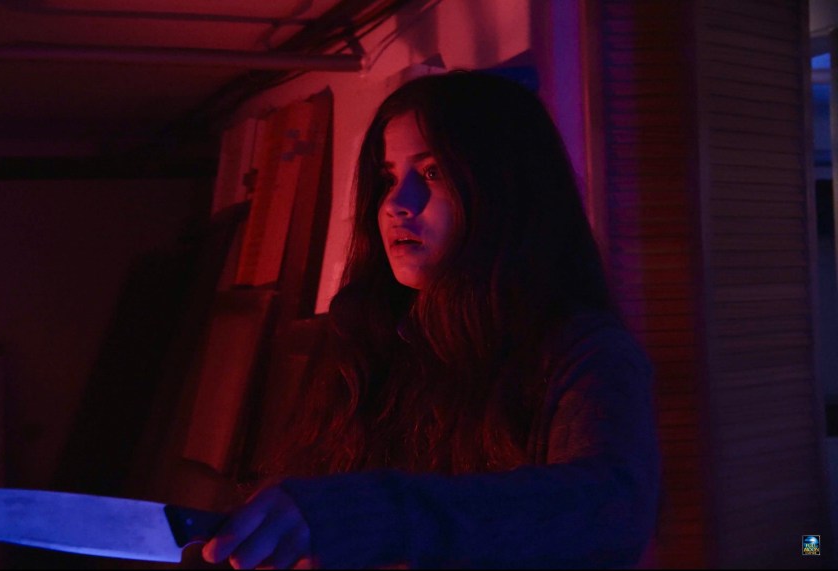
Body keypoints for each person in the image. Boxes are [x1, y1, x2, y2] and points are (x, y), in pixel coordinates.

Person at [201, 69, 661, 569]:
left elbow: (609, 506)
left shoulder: (582, 349)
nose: (396, 205)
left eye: (433, 173)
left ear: (505, 188)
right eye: (388, 178)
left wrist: (371, 514)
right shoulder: (367, 338)